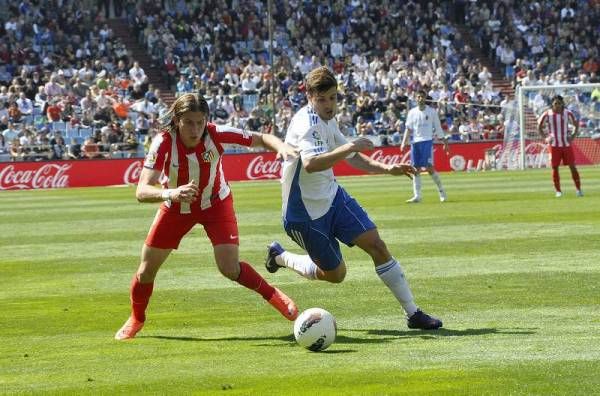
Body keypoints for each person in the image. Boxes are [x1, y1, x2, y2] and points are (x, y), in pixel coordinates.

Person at [265, 67, 442, 330]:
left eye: (333, 98)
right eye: (323, 99)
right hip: (304, 215)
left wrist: (386, 168)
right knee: (336, 275)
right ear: (310, 96)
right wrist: (349, 146)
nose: (329, 105)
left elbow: (352, 156)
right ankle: (280, 256)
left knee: (377, 245)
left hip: (333, 197)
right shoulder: (306, 124)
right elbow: (311, 163)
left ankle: (413, 313)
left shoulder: (328, 121)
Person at [115, 93, 300, 340]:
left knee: (229, 268)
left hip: (216, 204)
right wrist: (173, 192)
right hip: (176, 207)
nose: (195, 129)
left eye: (200, 122)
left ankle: (274, 295)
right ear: (177, 120)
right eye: (189, 122)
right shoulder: (162, 142)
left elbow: (261, 138)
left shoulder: (216, 133)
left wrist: (282, 146)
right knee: (146, 271)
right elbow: (142, 190)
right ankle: (136, 318)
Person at [400, 90, 449, 203]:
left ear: (425, 98)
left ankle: (442, 191)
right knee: (415, 169)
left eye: (422, 96)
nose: (420, 99)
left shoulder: (431, 112)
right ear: (416, 98)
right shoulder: (412, 112)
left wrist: (444, 143)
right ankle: (417, 196)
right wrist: (403, 142)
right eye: (418, 97)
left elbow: (438, 128)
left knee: (429, 167)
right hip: (415, 143)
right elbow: (408, 128)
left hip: (426, 141)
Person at [537, 95, 582, 197]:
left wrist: (573, 136)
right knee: (555, 168)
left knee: (572, 167)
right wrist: (545, 138)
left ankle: (578, 190)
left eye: (559, 103)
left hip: (566, 145)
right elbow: (539, 127)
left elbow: (576, 124)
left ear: (562, 104)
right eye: (555, 104)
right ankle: (558, 191)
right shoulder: (547, 114)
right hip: (554, 145)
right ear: (552, 104)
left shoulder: (568, 113)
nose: (557, 105)